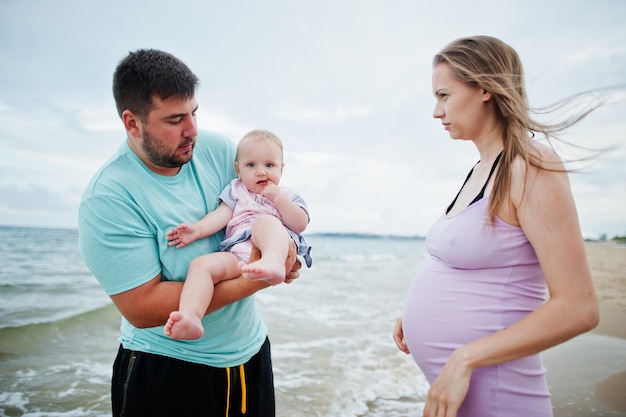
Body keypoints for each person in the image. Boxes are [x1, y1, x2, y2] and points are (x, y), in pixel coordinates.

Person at [78, 49, 301, 417]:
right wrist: (256, 279)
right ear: (132, 123)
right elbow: (142, 307)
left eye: (194, 112)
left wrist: (285, 253)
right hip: (169, 368)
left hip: (250, 352)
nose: (192, 130)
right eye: (175, 119)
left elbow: (264, 213)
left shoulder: (220, 150)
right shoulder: (108, 198)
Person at [392, 36, 599, 417]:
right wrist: (417, 317)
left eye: (444, 95)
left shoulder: (530, 165)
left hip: (502, 400)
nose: (436, 112)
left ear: (484, 88)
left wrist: (464, 359)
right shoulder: (481, 169)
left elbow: (578, 308)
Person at [164, 129, 312, 340]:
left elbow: (300, 223)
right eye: (251, 165)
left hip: (273, 245)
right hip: (238, 254)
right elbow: (221, 215)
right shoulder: (236, 189)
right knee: (200, 266)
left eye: (269, 165)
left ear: (281, 168)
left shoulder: (287, 195)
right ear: (238, 170)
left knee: (264, 222)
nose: (261, 172)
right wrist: (196, 230)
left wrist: (278, 199)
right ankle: (190, 318)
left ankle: (272, 263)